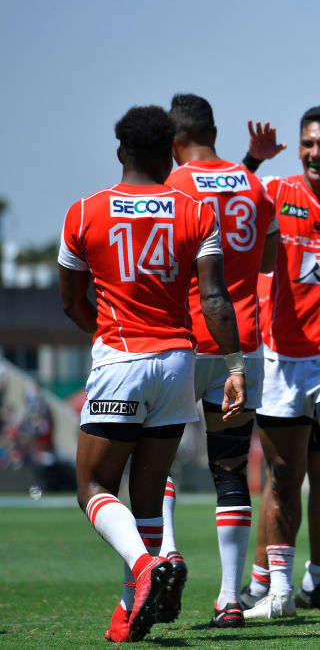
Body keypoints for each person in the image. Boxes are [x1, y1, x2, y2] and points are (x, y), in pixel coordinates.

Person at [57, 105, 245, 642]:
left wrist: (107, 337)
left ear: (120, 152)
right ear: (171, 153)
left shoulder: (85, 212)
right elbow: (213, 298)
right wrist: (233, 366)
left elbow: (70, 300)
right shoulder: (195, 210)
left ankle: (145, 571)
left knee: (92, 485)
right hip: (178, 363)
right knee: (146, 497)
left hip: (122, 357)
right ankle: (127, 614)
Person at [243, 106, 320, 621]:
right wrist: (253, 159)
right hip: (281, 358)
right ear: (300, 148)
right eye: (308, 144)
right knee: (283, 473)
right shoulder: (276, 190)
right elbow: (221, 197)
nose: (316, 152)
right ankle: (278, 592)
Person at [157, 93, 278, 628]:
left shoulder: (173, 186)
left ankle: (167, 553)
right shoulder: (254, 184)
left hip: (183, 338)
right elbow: (270, 258)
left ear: (174, 140)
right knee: (230, 470)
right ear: (214, 131)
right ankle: (231, 598)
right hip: (243, 343)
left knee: (154, 461)